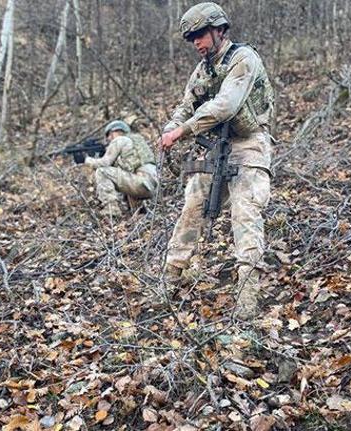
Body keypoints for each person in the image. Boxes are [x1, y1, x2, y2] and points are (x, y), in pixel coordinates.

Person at [159, 2, 276, 320]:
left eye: (200, 35)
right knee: (192, 204)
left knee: (245, 214)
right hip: (218, 146)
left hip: (250, 144)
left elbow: (226, 104)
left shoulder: (243, 58)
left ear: (218, 29)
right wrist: (171, 129)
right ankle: (169, 281)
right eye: (192, 38)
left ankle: (247, 301)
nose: (196, 42)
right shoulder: (203, 69)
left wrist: (183, 130)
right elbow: (186, 104)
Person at [84, 120, 159, 217]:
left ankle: (111, 210)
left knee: (102, 172)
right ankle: (139, 212)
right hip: (153, 185)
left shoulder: (120, 140)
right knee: (124, 176)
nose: (108, 140)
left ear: (114, 132)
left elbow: (104, 163)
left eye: (109, 136)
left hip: (141, 182)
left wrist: (86, 160)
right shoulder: (136, 142)